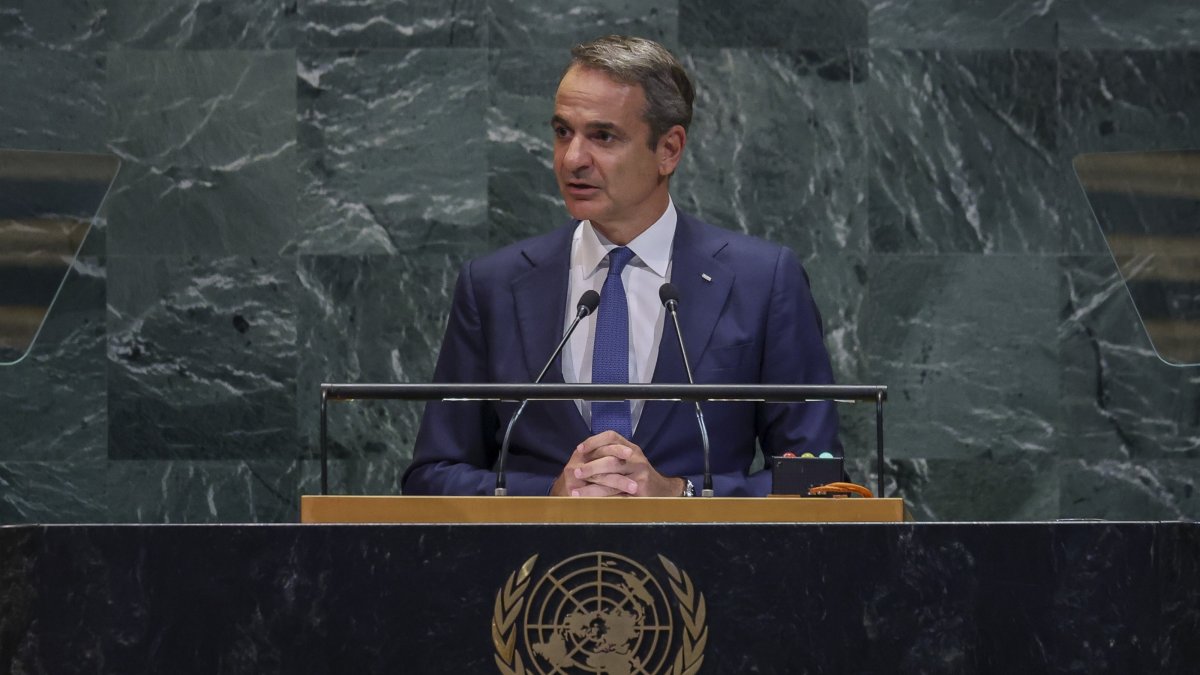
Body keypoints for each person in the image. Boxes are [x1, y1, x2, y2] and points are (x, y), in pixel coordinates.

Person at [401, 35, 840, 497]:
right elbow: (432, 474)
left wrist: (679, 494)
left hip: (709, 564)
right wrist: (550, 493)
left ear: (668, 150)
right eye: (562, 132)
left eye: (603, 136)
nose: (572, 159)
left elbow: (816, 478)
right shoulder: (494, 285)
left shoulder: (762, 281)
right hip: (533, 566)